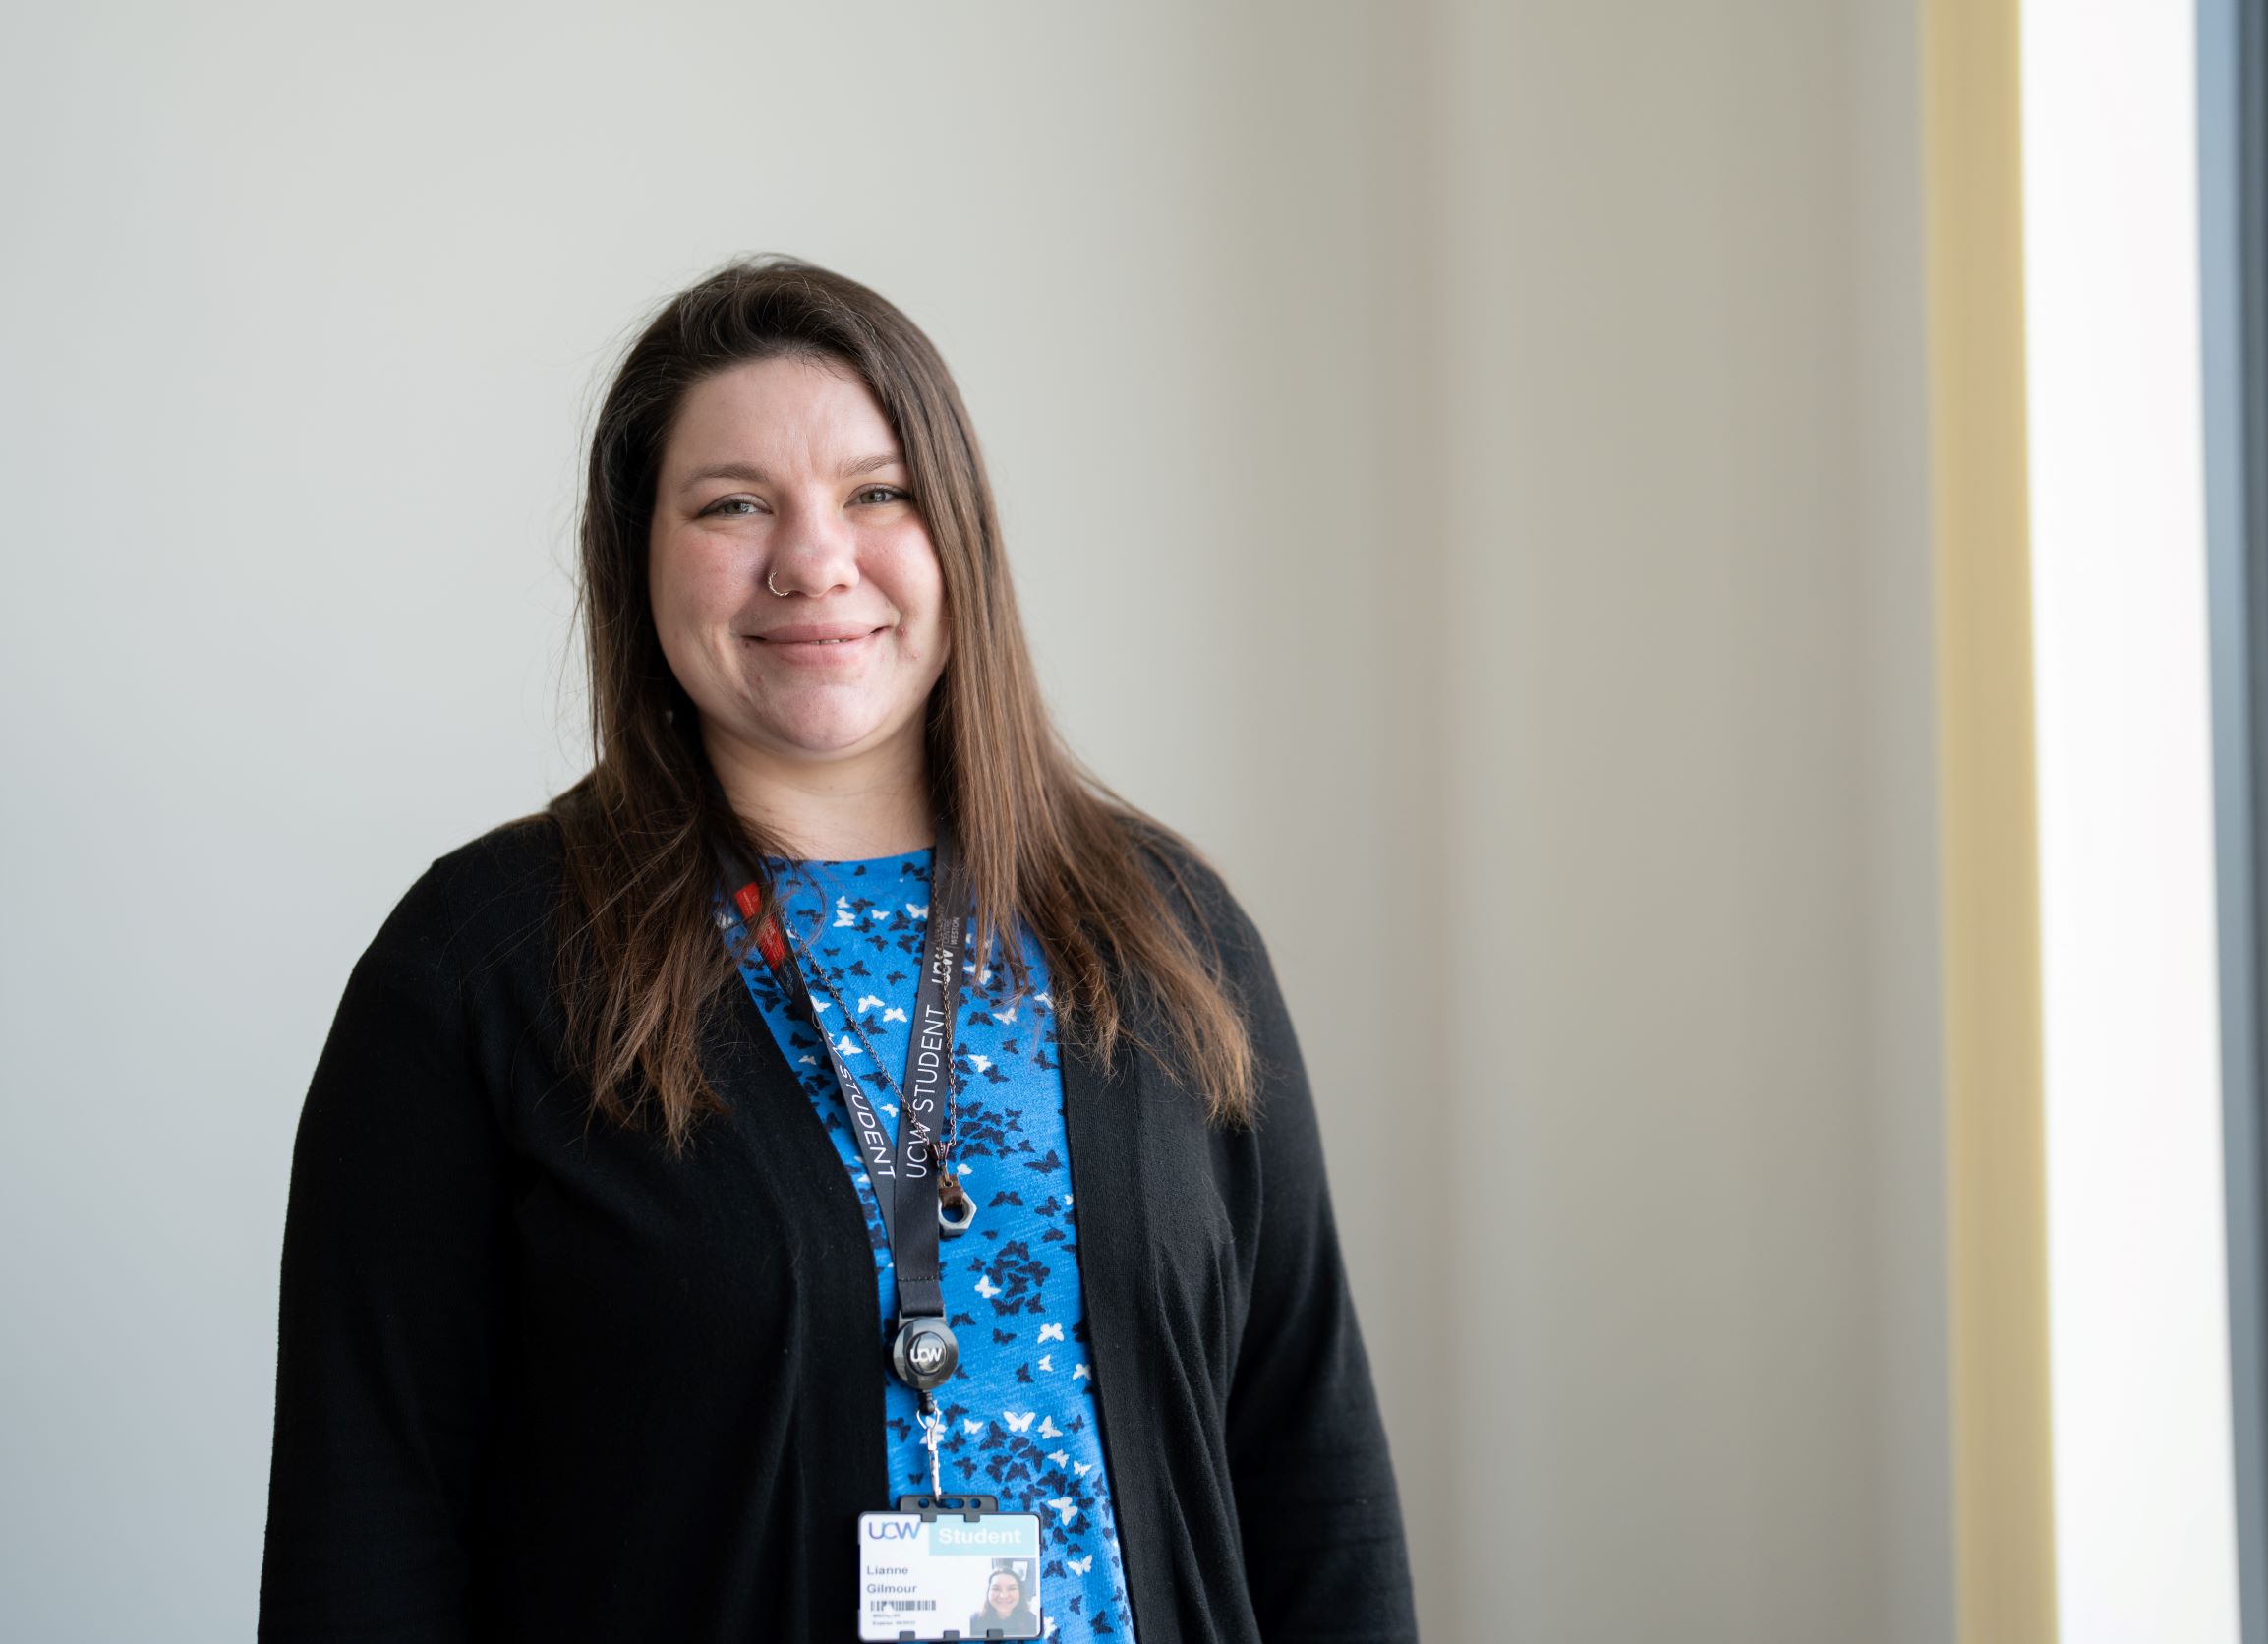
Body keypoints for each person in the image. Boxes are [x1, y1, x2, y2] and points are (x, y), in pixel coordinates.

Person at [257, 254, 1416, 1644]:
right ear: (638, 556)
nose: (814, 561)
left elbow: (1314, 1469)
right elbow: (365, 1524)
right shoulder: (482, 964)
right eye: (733, 504)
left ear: (958, 541)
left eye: (878, 494)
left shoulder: (1165, 933)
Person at [969, 1566, 1038, 1638]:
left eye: (1011, 1588)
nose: (1003, 1595)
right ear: (988, 1592)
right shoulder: (974, 1621)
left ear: (1020, 1592)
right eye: (996, 1588)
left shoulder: (1033, 1622)